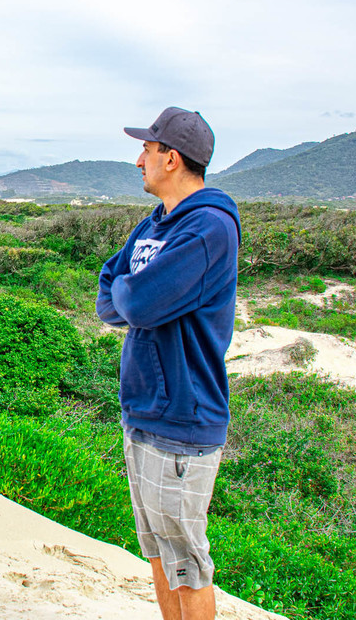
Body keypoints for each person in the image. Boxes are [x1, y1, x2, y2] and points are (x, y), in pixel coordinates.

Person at [96, 107, 241, 620]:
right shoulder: (157, 223)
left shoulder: (208, 230)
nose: (139, 161)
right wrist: (132, 296)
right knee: (158, 550)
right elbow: (109, 289)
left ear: (171, 158)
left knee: (187, 562)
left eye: (147, 150)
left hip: (182, 416)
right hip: (143, 411)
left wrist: (133, 297)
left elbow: (132, 303)